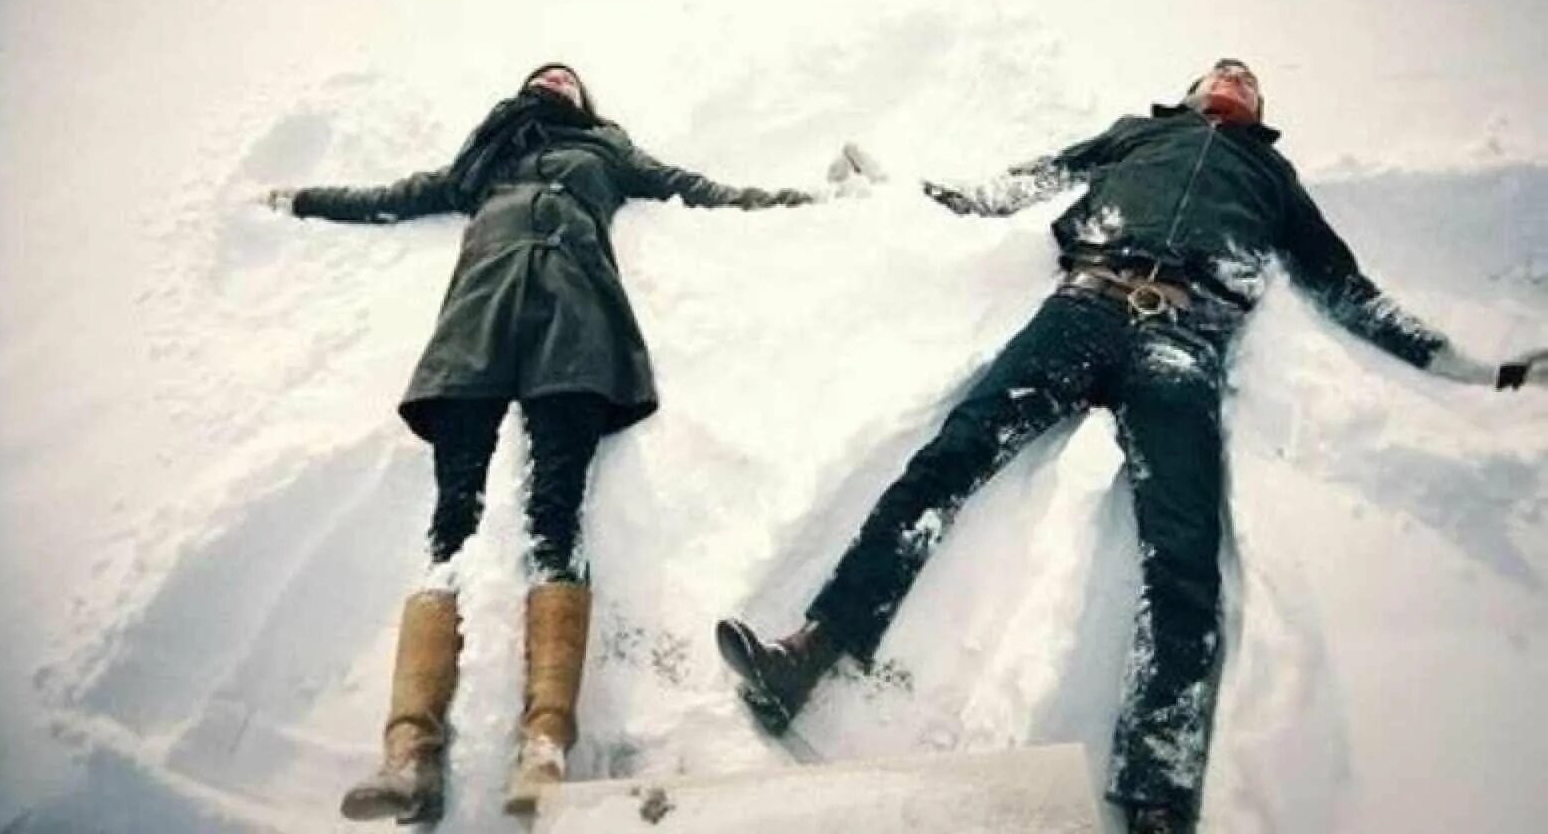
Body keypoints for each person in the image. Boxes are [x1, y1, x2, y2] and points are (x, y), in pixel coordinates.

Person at [715, 59, 1545, 834]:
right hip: (1082, 306)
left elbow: (1348, 290)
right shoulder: (1137, 134)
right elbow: (1024, 181)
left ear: (1260, 115)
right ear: (1190, 95)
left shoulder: (1274, 180)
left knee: (1182, 548)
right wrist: (911, 193)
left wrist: (1476, 366)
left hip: (1182, 341)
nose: (1235, 78)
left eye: (1248, 80)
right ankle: (809, 654)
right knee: (948, 461)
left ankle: (1158, 786)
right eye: (1221, 72)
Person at [267, 63, 815, 823]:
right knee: (451, 520)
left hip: (576, 318)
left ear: (586, 101)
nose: (556, 78)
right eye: (544, 72)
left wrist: (799, 200)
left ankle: (545, 748)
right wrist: (299, 198)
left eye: (568, 76)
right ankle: (407, 755)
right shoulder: (483, 159)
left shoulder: (610, 151)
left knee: (556, 514)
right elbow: (394, 197)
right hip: (479, 316)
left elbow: (699, 187)